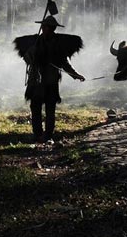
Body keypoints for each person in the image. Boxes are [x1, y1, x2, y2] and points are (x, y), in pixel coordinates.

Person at [19, 15, 85, 143]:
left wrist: (76, 75)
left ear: (52, 28)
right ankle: (37, 134)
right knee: (35, 107)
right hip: (36, 81)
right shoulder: (36, 42)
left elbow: (65, 63)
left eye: (46, 27)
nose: (43, 28)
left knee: (50, 109)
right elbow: (26, 58)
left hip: (50, 81)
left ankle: (48, 135)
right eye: (43, 26)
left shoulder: (58, 45)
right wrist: (32, 54)